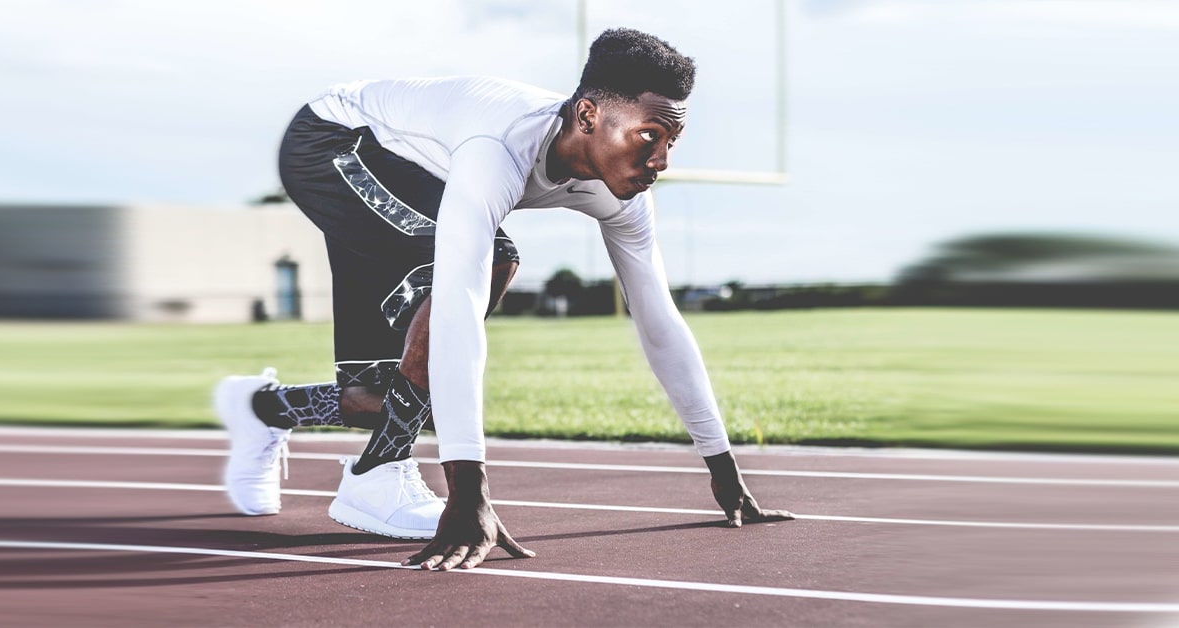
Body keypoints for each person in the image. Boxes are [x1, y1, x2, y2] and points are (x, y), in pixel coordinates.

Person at [215, 27, 793, 571]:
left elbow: (659, 322)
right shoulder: (498, 148)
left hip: (418, 171)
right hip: (334, 143)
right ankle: (377, 472)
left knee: (378, 396)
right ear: (587, 115)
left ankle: (264, 408)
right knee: (490, 264)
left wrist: (723, 471)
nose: (661, 161)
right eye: (648, 135)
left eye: (672, 140)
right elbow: (461, 305)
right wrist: (468, 495)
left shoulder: (624, 196)